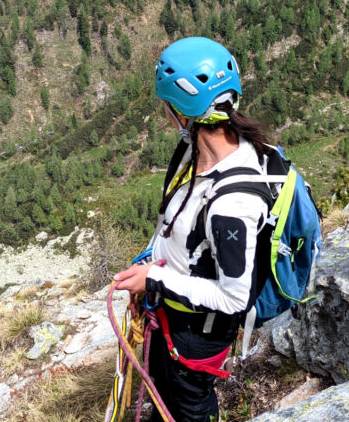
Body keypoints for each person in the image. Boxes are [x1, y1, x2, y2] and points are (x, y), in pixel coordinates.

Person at [113, 37, 270, 422]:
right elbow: (178, 215)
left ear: (181, 111)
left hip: (198, 331)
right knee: (168, 387)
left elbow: (234, 298)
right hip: (176, 309)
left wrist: (155, 280)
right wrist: (154, 258)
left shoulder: (233, 206)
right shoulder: (197, 149)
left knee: (190, 401)